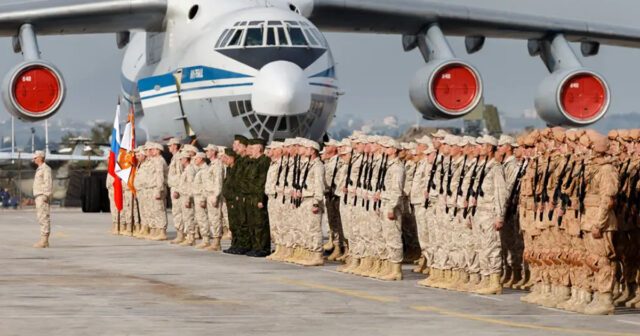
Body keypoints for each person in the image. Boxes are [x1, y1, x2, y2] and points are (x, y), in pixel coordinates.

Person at [32, 150, 52, 248]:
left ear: (40, 158)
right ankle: (43, 239)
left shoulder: (45, 169)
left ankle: (44, 240)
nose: (34, 159)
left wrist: (46, 195)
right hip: (38, 196)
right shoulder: (40, 169)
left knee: (44, 217)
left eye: (35, 157)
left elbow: (48, 182)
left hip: (42, 196)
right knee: (40, 217)